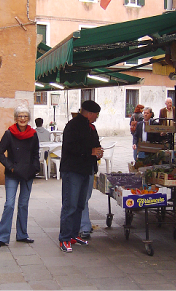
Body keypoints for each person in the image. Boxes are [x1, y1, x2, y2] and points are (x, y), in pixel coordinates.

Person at [59, 100, 103, 252]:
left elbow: (95, 144)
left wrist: (98, 152)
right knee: (70, 204)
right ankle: (64, 238)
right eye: (96, 115)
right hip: (73, 170)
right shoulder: (73, 125)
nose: (96, 117)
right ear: (90, 113)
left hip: (86, 169)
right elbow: (70, 147)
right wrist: (90, 151)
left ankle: (73, 234)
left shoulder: (91, 127)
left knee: (80, 204)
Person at [0, 105, 40, 248]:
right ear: (15, 118)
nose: (23, 119)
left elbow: (35, 154)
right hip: (13, 173)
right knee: (9, 204)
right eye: (20, 116)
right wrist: (11, 167)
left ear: (29, 119)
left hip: (28, 174)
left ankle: (22, 234)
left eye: (25, 116)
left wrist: (34, 169)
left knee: (24, 204)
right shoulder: (9, 133)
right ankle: (2, 237)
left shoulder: (33, 134)